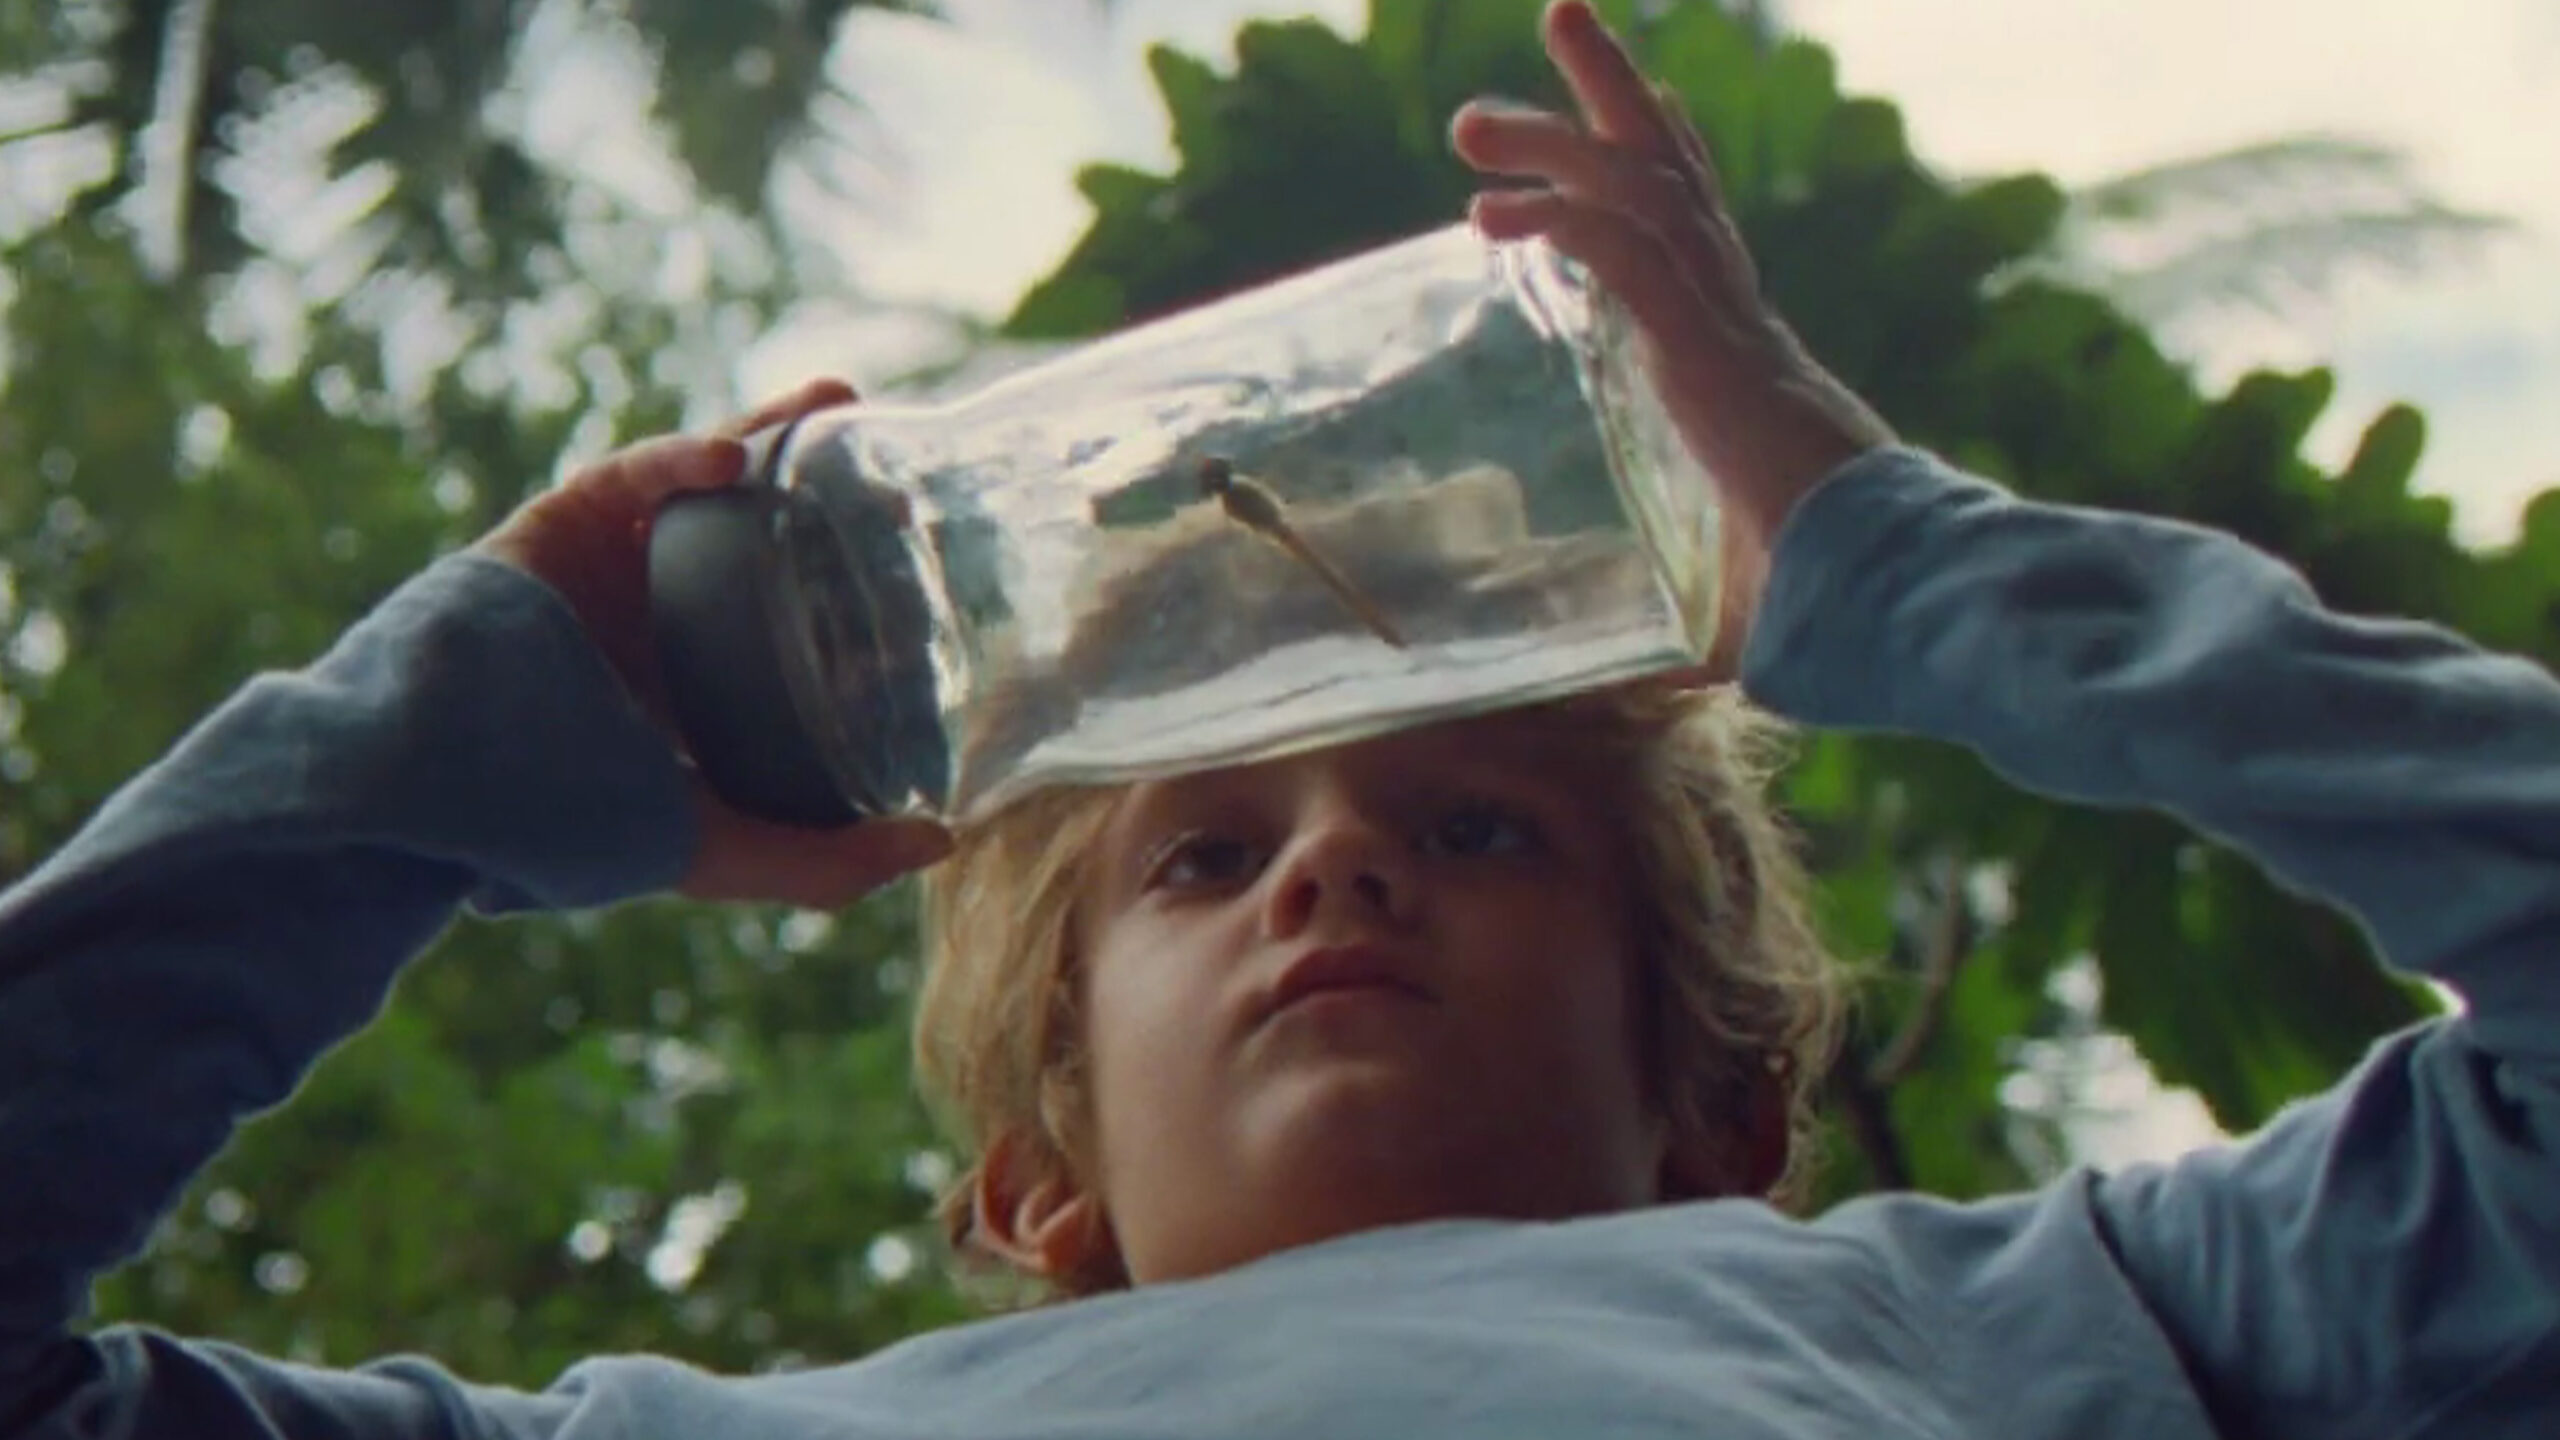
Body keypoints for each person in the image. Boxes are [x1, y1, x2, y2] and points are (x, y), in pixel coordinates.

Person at [1, 1, 2552, 1436]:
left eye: (1473, 826)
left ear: (1729, 1108)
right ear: (1034, 1181)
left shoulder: (2038, 1317)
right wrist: (450, 743)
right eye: (1198, 860)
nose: (1331, 867)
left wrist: (1884, 554)